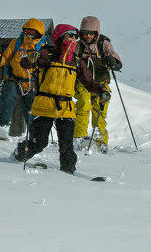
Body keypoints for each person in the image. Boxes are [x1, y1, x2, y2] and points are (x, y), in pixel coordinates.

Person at [12, 24, 108, 174]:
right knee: (39, 142)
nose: (73, 38)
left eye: (75, 36)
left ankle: (68, 172)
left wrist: (102, 90)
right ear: (60, 36)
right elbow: (26, 63)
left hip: (66, 107)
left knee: (66, 145)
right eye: (70, 35)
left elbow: (89, 82)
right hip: (44, 105)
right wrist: (30, 59)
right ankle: (18, 156)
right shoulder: (47, 54)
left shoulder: (76, 61)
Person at [73, 15, 123, 153]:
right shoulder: (78, 45)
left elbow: (118, 61)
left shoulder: (103, 44)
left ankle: (100, 140)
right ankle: (79, 137)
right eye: (84, 33)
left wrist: (114, 62)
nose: (87, 36)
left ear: (96, 32)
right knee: (83, 105)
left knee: (99, 111)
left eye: (91, 33)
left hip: (101, 82)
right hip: (82, 82)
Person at [0, 18, 47, 140]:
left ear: (38, 33)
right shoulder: (17, 42)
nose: (28, 33)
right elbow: (6, 58)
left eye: (32, 31)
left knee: (31, 109)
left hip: (31, 82)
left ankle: (35, 134)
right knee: (8, 98)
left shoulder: (42, 47)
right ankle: (2, 125)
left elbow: (44, 64)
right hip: (14, 78)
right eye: (27, 30)